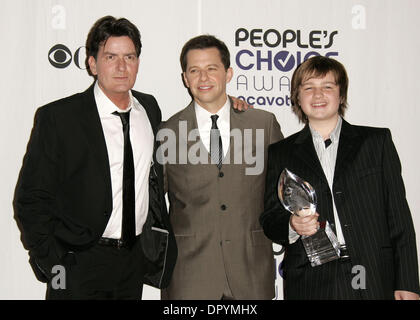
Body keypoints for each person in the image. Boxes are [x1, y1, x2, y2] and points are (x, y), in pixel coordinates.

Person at [13, 16, 177, 299]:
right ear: (92, 63)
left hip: (131, 261)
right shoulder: (59, 118)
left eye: (130, 56)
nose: (121, 66)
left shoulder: (149, 109)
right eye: (110, 56)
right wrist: (55, 265)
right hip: (76, 262)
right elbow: (30, 199)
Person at [260, 55, 420, 300]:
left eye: (327, 87)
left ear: (341, 95)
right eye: (308, 88)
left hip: (371, 272)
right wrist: (292, 225)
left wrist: (408, 283)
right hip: (310, 280)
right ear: (297, 97)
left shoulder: (376, 143)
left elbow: (399, 217)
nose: (318, 95)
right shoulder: (281, 152)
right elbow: (270, 217)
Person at [159, 35, 283, 300]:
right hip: (188, 278)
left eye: (211, 69)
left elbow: (283, 194)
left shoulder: (263, 125)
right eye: (194, 70)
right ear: (185, 78)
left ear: (228, 73)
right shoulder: (167, 132)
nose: (203, 78)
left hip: (251, 273)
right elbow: (152, 204)